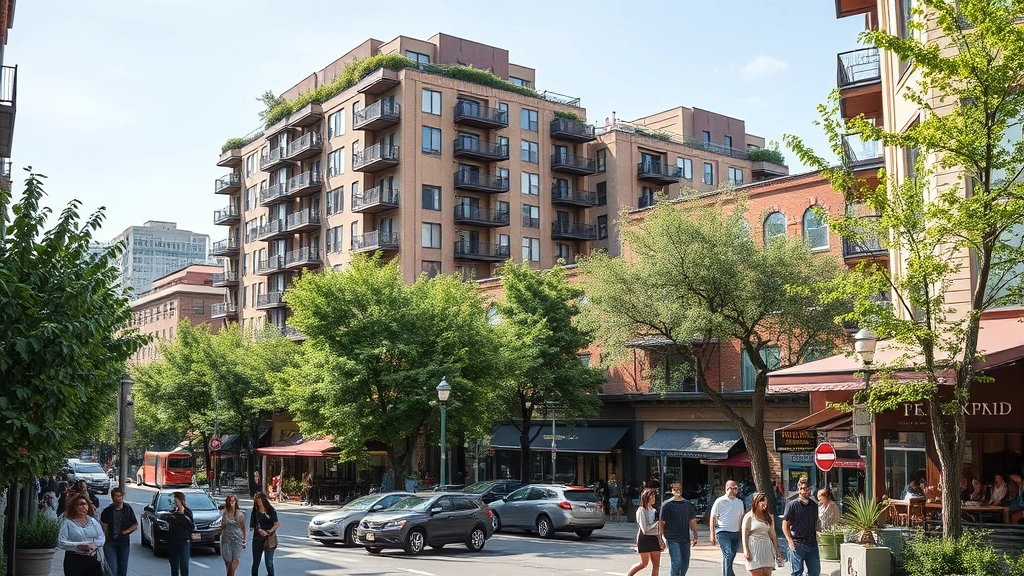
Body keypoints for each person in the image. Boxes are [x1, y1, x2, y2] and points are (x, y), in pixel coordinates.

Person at [59, 495, 105, 576]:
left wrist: (95, 544)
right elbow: (61, 542)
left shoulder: (93, 521)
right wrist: (78, 546)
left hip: (92, 560)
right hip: (74, 560)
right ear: (74, 507)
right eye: (81, 504)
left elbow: (101, 537)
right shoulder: (67, 522)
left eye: (85, 504)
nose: (84, 506)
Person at [783, 478, 820, 576]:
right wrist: (790, 541)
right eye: (802, 488)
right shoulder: (792, 505)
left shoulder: (813, 505)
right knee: (797, 572)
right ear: (798, 489)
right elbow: (785, 525)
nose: (805, 490)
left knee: (815, 571)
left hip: (812, 544)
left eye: (806, 488)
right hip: (798, 544)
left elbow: (815, 523)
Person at [660, 482, 698, 576]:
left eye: (679, 489)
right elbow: (661, 523)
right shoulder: (666, 505)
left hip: (685, 538)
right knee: (676, 561)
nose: (677, 490)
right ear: (671, 491)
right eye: (675, 489)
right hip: (672, 538)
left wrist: (695, 535)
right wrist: (662, 537)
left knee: (685, 563)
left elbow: (692, 520)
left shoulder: (687, 504)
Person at [742, 493, 783, 576]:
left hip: (766, 547)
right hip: (754, 547)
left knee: (767, 572)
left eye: (766, 501)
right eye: (762, 501)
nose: (765, 504)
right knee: (757, 572)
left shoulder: (768, 517)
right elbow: (744, 534)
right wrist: (746, 550)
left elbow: (773, 534)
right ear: (756, 502)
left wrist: (776, 549)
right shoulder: (749, 517)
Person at [100, 488, 138, 576]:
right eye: (116, 496)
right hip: (110, 544)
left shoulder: (127, 509)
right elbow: (103, 527)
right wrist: (103, 540)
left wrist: (127, 531)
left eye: (120, 496)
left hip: (124, 544)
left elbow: (135, 525)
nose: (118, 499)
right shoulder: (107, 511)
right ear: (112, 498)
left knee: (122, 570)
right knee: (112, 570)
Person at [710, 480, 745, 576]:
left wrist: (742, 533)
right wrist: (712, 534)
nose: (733, 491)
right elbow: (713, 517)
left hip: (735, 532)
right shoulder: (719, 501)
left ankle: (730, 574)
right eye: (731, 488)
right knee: (728, 554)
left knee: (731, 555)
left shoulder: (740, 502)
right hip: (722, 532)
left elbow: (741, 518)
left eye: (735, 489)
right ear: (726, 489)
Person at [627, 487, 664, 576]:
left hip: (655, 538)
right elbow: (644, 529)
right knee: (644, 564)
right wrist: (656, 523)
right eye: (652, 497)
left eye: (654, 497)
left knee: (656, 565)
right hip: (644, 539)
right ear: (646, 498)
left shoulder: (654, 510)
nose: (654, 499)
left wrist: (661, 540)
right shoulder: (641, 511)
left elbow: (658, 529)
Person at [162, 491, 195, 576]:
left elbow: (190, 525)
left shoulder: (187, 512)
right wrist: (173, 516)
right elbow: (164, 517)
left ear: (182, 501)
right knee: (174, 565)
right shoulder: (173, 512)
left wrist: (179, 516)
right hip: (173, 542)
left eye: (177, 502)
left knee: (184, 565)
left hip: (184, 541)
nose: (175, 504)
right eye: (174, 502)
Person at [250, 491, 280, 576]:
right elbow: (253, 525)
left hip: (269, 539)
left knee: (269, 563)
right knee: (256, 562)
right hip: (257, 539)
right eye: (257, 502)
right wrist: (259, 530)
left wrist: (269, 531)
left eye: (260, 501)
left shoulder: (271, 510)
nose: (259, 503)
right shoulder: (255, 511)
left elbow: (276, 524)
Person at [220, 494, 247, 576]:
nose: (231, 503)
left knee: (235, 560)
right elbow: (221, 526)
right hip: (226, 539)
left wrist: (244, 540)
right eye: (229, 501)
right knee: (228, 561)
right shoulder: (224, 513)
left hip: (237, 539)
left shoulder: (240, 514)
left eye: (233, 501)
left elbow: (243, 528)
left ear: (236, 502)